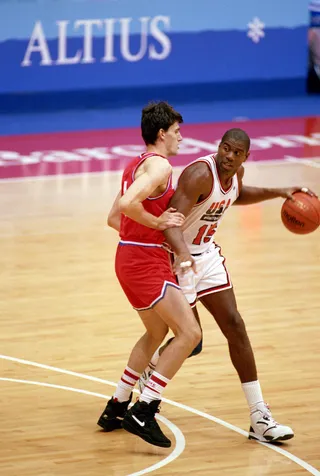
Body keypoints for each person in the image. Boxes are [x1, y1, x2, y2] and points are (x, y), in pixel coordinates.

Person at [139, 127, 317, 444]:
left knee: (235, 325)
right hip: (178, 256)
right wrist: (182, 254)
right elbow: (171, 220)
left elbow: (237, 194)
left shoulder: (237, 174)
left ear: (245, 157)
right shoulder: (198, 174)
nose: (229, 156)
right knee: (192, 341)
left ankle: (259, 417)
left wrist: (279, 191)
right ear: (219, 147)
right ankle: (151, 370)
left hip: (205, 256)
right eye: (226, 149)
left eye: (237, 153)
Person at [97, 101, 201, 448]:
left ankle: (117, 404)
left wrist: (145, 236)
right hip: (144, 261)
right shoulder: (159, 168)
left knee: (156, 332)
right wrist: (158, 224)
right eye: (176, 132)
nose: (181, 138)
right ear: (161, 134)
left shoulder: (135, 165)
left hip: (128, 256)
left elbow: (115, 219)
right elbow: (127, 206)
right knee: (189, 334)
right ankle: (145, 409)